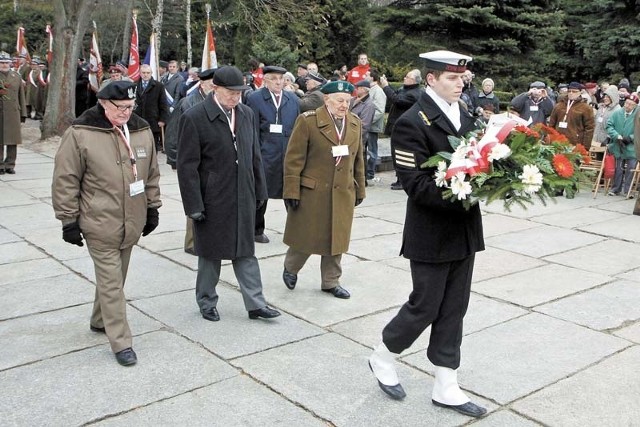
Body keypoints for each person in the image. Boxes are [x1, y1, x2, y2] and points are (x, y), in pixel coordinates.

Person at [368, 50, 486, 418]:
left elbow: (479, 159)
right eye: (452, 78)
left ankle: (446, 384)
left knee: (455, 308)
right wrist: (464, 190)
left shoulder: (463, 113)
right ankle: (383, 355)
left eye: (462, 77)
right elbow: (415, 184)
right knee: (426, 304)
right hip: (431, 231)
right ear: (431, 79)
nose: (460, 83)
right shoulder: (411, 122)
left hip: (464, 230)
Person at [52, 80, 162, 366]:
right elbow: (66, 179)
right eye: (120, 107)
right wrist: (68, 220)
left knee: (116, 278)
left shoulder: (141, 129)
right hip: (98, 221)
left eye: (130, 106)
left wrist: (152, 208)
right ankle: (121, 341)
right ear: (102, 103)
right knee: (112, 283)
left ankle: (100, 319)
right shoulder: (80, 133)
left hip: (131, 221)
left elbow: (151, 173)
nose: (126, 112)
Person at [176, 65, 281, 322]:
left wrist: (260, 191)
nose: (236, 97)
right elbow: (187, 166)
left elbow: (254, 154)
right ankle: (206, 301)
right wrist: (194, 205)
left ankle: (256, 304)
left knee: (246, 252)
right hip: (212, 198)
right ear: (215, 88)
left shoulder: (246, 113)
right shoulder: (195, 117)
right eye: (231, 92)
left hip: (243, 194)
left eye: (240, 93)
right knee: (211, 255)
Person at [281, 80, 366, 300]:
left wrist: (360, 188)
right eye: (340, 100)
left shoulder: (355, 124)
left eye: (348, 101)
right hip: (313, 191)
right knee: (306, 236)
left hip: (342, 192)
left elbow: (358, 160)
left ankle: (331, 281)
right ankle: (291, 268)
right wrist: (291, 190)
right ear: (326, 100)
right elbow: (293, 159)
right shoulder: (308, 121)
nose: (344, 105)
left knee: (337, 239)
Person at [246, 65, 300, 244]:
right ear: (265, 80)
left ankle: (296, 230)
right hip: (265, 155)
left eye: (281, 78)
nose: (278, 82)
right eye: (274, 78)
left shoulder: (292, 99)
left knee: (292, 193)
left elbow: (298, 129)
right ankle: (256, 230)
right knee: (261, 195)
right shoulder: (255, 99)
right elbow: (251, 129)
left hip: (288, 154)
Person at [165, 68, 216, 255]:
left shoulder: (218, 104)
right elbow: (173, 131)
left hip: (211, 161)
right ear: (201, 84)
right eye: (212, 85)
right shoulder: (188, 103)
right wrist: (174, 158)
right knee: (194, 198)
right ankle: (192, 243)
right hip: (192, 160)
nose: (215, 89)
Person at [380, 69, 423, 190]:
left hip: (404, 129)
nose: (404, 78)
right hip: (398, 127)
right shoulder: (407, 90)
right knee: (397, 154)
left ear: (413, 80)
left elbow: (397, 100)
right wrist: (387, 85)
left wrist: (385, 87)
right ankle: (400, 178)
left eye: (407, 76)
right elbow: (396, 94)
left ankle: (403, 180)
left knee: (401, 154)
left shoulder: (414, 93)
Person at [606, 93, 638, 197]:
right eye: (627, 103)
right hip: (618, 144)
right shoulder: (617, 113)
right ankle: (615, 189)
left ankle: (628, 190)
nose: (627, 106)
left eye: (631, 104)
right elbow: (609, 126)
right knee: (618, 168)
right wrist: (616, 136)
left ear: (635, 106)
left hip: (632, 147)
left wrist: (631, 137)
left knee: (631, 168)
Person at [0, 51, 27, 174]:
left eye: (6, 62)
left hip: (13, 113)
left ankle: (10, 164)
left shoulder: (16, 76)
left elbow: (21, 96)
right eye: (1, 62)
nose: (4, 65)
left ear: (10, 63)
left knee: (13, 140)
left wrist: (23, 114)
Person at [549, 81, 595, 149]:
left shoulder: (586, 108)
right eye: (569, 91)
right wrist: (550, 139)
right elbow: (551, 124)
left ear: (580, 92)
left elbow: (589, 128)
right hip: (557, 141)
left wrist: (585, 147)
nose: (571, 93)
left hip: (575, 143)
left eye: (574, 91)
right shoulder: (559, 105)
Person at [134, 64, 169, 153]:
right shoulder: (134, 85)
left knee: (152, 146)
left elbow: (163, 104)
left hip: (153, 120)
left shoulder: (159, 86)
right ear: (140, 73)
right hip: (138, 120)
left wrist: (162, 119)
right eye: (143, 72)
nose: (145, 75)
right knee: (139, 146)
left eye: (148, 73)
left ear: (151, 73)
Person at [366, 69, 387, 183]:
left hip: (371, 127)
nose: (364, 76)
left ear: (372, 77)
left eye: (367, 75)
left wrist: (367, 121)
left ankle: (370, 173)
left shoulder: (378, 91)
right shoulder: (371, 89)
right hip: (367, 126)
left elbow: (379, 111)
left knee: (372, 151)